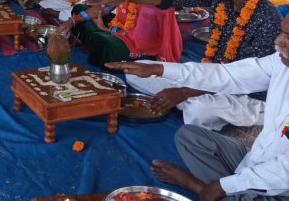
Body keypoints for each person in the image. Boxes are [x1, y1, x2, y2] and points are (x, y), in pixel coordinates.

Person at [88, 0, 282, 131]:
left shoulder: (267, 18)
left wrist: (184, 91)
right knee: (137, 72)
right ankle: (182, 100)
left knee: (201, 109)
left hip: (247, 95)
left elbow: (245, 79)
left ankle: (185, 102)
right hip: (210, 76)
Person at [106, 15, 289, 201]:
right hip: (255, 161)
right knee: (190, 137)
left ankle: (200, 187)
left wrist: (217, 186)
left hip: (282, 189)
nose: (279, 41)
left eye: (288, 36)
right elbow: (227, 75)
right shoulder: (280, 62)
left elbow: (284, 171)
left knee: (227, 190)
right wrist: (159, 69)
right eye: (282, 33)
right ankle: (226, 191)